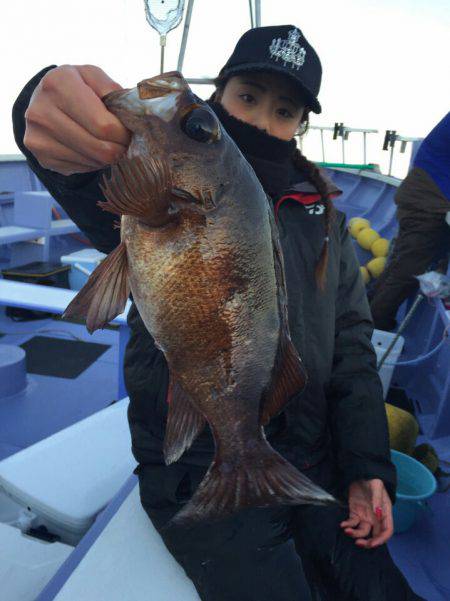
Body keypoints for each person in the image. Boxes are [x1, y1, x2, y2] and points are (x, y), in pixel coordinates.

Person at [13, 24, 423, 601]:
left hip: (311, 456)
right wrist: (38, 101)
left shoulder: (322, 218)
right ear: (220, 95)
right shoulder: (155, 188)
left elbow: (352, 339)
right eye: (247, 97)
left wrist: (365, 466)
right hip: (196, 465)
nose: (261, 121)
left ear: (302, 125)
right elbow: (79, 172)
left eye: (285, 110)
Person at [370, 113, 450, 331]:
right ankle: (374, 327)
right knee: (407, 269)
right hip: (426, 200)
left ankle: (370, 308)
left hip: (427, 194)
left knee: (400, 262)